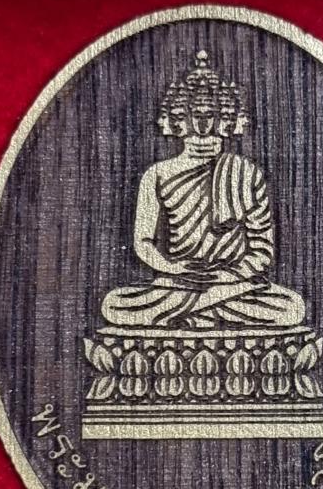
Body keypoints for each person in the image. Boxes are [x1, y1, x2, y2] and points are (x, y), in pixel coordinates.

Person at [101, 51, 305, 330]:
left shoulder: (246, 172)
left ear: (226, 118)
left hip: (232, 286)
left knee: (291, 308)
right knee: (114, 305)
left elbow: (261, 248)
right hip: (177, 282)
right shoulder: (157, 174)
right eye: (195, 115)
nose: (203, 124)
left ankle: (191, 315)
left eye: (211, 115)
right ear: (178, 118)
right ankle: (201, 313)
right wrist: (173, 268)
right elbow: (144, 242)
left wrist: (228, 276)